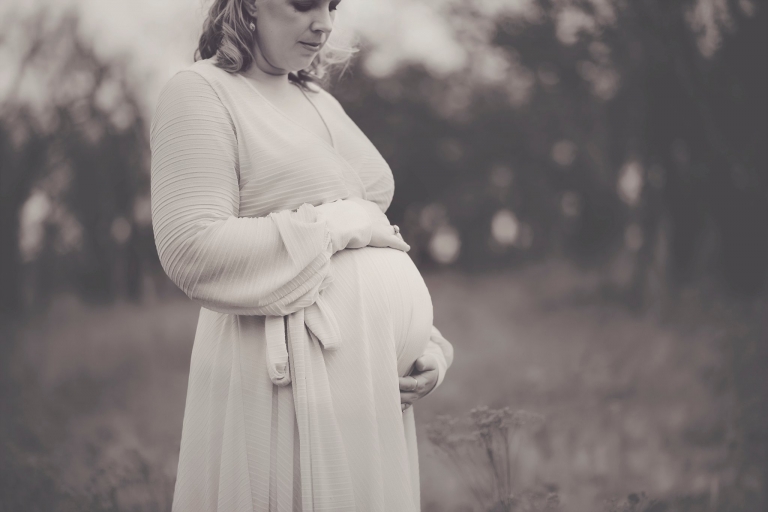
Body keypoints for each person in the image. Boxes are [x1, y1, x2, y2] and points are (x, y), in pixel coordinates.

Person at [149, 0, 454, 510]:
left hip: (371, 387)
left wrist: (425, 344)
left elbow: (365, 242)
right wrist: (337, 222)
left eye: (332, 5)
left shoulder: (316, 98)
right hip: (284, 381)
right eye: (304, 4)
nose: (325, 24)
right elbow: (190, 247)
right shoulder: (200, 91)